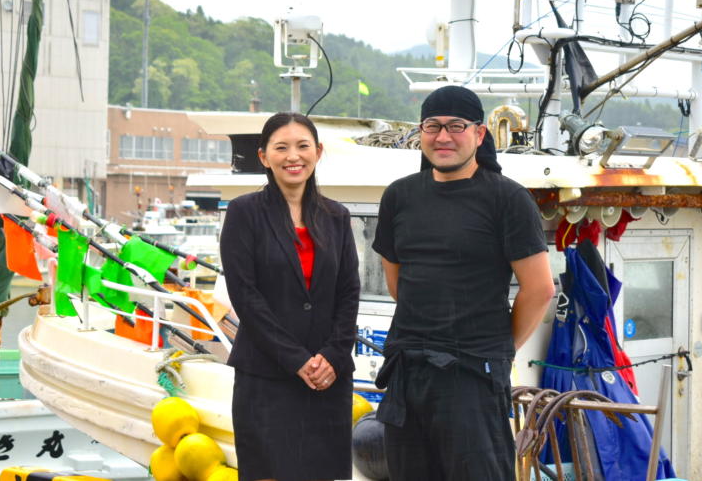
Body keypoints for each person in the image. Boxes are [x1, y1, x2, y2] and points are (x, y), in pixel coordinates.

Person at [373, 85, 556, 481]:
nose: (443, 136)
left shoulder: (507, 199)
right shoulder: (400, 197)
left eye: (456, 126)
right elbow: (397, 280)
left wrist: (498, 347)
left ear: (478, 134)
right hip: (408, 372)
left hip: (473, 375)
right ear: (420, 132)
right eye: (433, 125)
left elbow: (540, 289)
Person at [220, 112, 360, 481]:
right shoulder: (243, 212)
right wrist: (297, 360)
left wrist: (333, 355)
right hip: (266, 376)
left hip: (328, 380)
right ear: (265, 156)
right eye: (281, 148)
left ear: (318, 152)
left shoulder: (336, 216)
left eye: (302, 146)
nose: (293, 156)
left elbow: (349, 293)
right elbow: (245, 297)